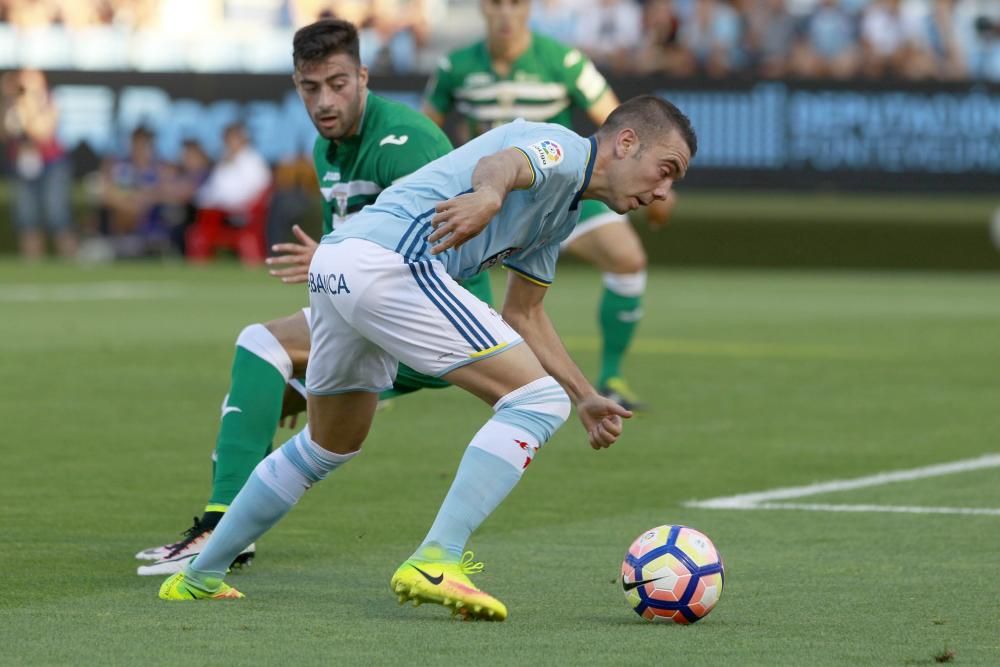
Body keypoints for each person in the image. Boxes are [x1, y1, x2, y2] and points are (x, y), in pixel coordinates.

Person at [157, 94, 696, 620]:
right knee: (535, 403)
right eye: (665, 169)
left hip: (340, 264)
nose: (665, 191)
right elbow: (502, 164)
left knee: (329, 444)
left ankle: (200, 576)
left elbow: (525, 313)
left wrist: (584, 395)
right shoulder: (564, 148)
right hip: (391, 264)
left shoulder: (559, 213)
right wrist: (487, 195)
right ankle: (437, 558)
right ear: (626, 142)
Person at [135, 18, 493, 576]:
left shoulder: (407, 140)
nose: (324, 100)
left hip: (436, 318)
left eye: (337, 83)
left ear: (363, 77)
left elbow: (443, 249)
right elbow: (350, 251)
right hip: (378, 315)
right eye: (310, 87)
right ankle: (229, 539)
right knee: (254, 403)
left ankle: (215, 534)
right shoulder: (327, 148)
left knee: (260, 344)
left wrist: (329, 261)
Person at [423, 0, 674, 411]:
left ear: (529, 10)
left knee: (627, 259)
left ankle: (610, 375)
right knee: (429, 283)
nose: (506, 14)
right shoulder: (455, 67)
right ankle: (375, 377)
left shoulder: (564, 60)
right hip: (490, 198)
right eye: (496, 5)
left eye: (516, 5)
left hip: (559, 192)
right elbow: (426, 134)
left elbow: (620, 126)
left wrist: (660, 182)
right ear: (482, 10)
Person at [1, 69, 76, 260]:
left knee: (57, 215)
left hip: (52, 165)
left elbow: (43, 132)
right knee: (27, 218)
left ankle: (70, 261)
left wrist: (26, 108)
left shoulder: (48, 102)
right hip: (22, 167)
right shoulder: (11, 105)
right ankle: (33, 264)